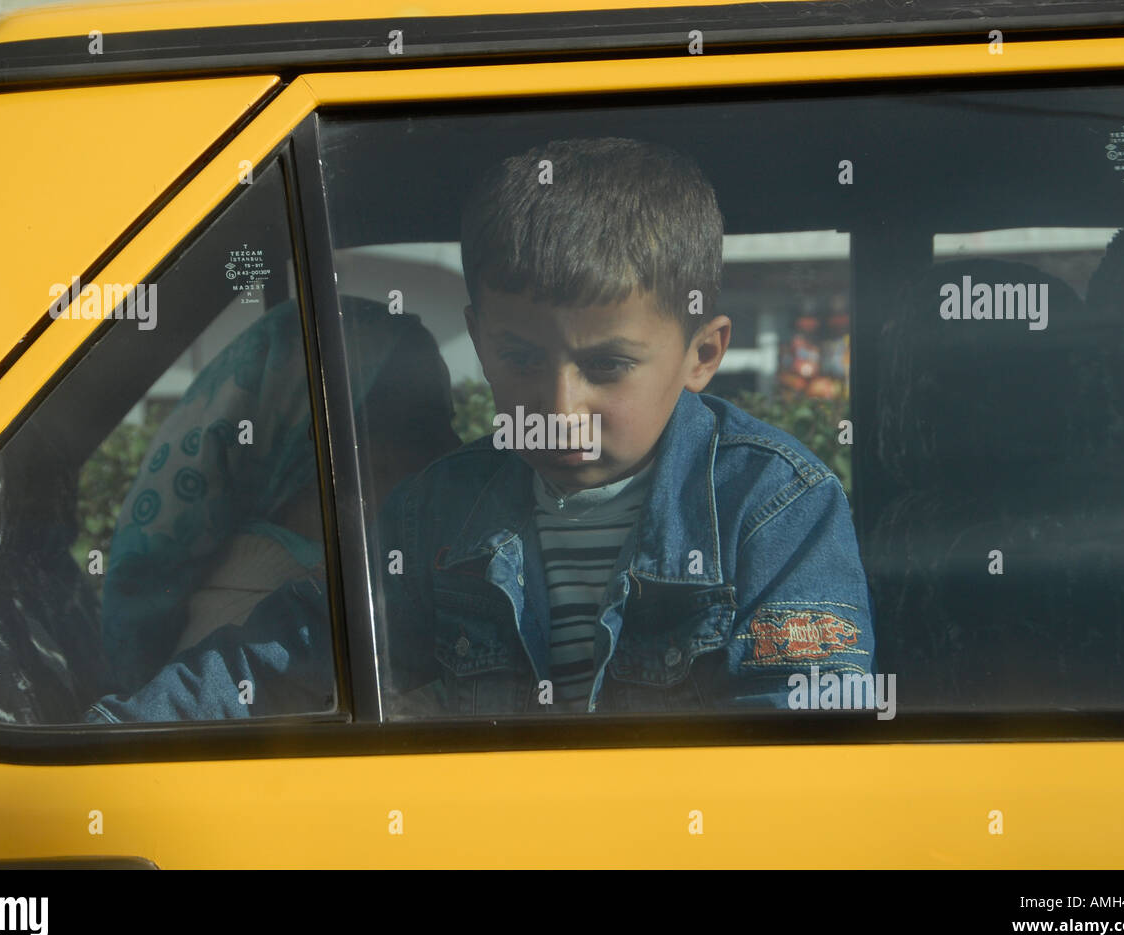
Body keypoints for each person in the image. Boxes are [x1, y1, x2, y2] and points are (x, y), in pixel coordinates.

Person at [377, 137, 876, 716]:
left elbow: (801, 751)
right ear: (479, 339)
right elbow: (294, 661)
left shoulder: (772, 506)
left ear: (703, 354)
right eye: (521, 358)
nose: (560, 412)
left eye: (607, 365)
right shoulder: (432, 512)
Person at [85, 296, 460, 722]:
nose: (454, 449)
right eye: (422, 429)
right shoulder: (287, 633)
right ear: (322, 449)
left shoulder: (274, 595)